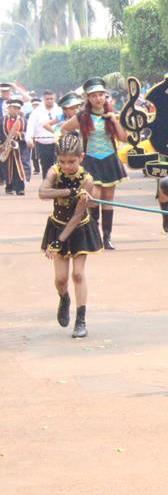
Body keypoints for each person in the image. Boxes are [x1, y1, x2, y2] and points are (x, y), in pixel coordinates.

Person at [38, 134, 102, 338]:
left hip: (78, 229)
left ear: (81, 157)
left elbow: (77, 216)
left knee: (77, 275)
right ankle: (64, 297)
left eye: (72, 161)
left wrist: (58, 241)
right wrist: (69, 192)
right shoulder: (54, 171)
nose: (66, 166)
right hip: (57, 226)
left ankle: (81, 320)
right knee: (60, 279)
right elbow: (42, 192)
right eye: (62, 161)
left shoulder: (87, 180)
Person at [57, 78, 127, 250]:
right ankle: (94, 234)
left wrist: (114, 120)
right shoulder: (83, 116)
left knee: (108, 200)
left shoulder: (112, 115)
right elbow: (64, 129)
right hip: (91, 160)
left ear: (106, 96)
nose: (98, 99)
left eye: (101, 95)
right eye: (94, 95)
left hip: (110, 159)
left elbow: (123, 138)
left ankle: (107, 237)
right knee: (93, 199)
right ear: (88, 98)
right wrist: (73, 148)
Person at [26, 90, 59, 180]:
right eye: (47, 99)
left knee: (58, 165)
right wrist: (29, 139)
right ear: (44, 99)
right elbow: (30, 125)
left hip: (57, 142)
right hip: (42, 143)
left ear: (54, 98)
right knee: (46, 166)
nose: (49, 100)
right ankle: (47, 184)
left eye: (51, 98)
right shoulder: (37, 112)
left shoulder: (60, 110)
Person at [1, 97, 27, 196]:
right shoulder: (2, 120)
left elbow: (27, 133)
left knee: (19, 168)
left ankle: (20, 188)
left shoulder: (23, 121)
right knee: (7, 168)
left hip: (19, 148)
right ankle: (9, 187)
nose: (14, 110)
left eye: (17, 108)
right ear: (8, 108)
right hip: (6, 148)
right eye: (12, 108)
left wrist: (19, 135)